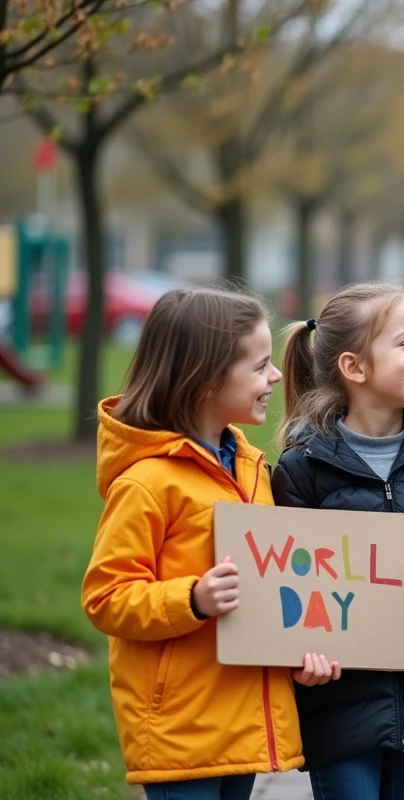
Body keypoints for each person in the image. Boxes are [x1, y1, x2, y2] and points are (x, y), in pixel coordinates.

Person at [81, 288, 335, 800]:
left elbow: (264, 590)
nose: (277, 376)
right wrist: (192, 599)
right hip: (181, 731)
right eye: (260, 366)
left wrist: (295, 657)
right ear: (206, 381)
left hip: (243, 724)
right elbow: (106, 597)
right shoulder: (147, 483)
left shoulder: (249, 468)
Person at [271, 282, 404, 800]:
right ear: (354, 367)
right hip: (340, 711)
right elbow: (287, 593)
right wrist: (302, 658)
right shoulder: (303, 469)